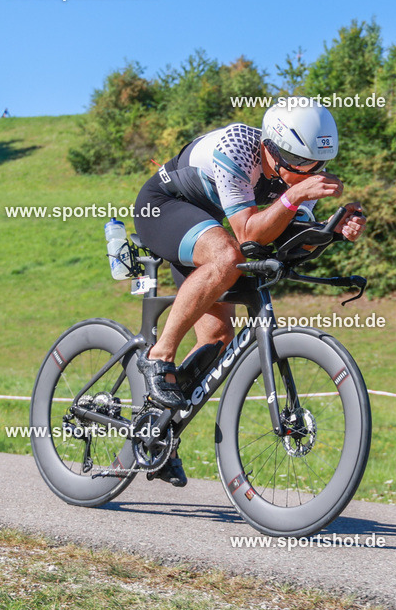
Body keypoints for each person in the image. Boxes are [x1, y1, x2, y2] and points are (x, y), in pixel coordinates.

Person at [131, 99, 366, 486]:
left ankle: (159, 433)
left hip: (207, 226)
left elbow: (291, 237)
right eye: (298, 161)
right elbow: (248, 233)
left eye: (316, 165)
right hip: (165, 207)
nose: (306, 173)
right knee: (228, 254)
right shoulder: (238, 145)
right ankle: (159, 356)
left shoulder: (292, 175)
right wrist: (295, 197)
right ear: (272, 148)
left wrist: (333, 230)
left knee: (219, 339)